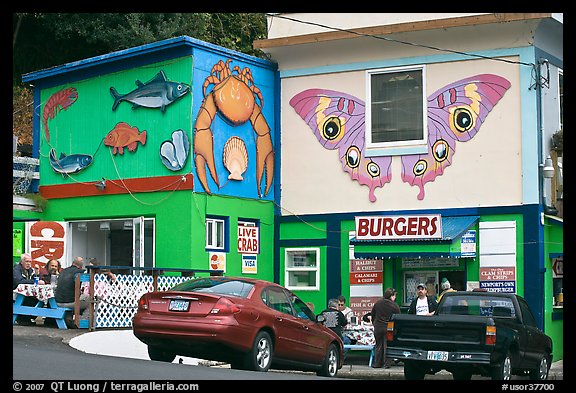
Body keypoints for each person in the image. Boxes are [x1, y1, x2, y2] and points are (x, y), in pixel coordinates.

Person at [55, 256, 89, 328]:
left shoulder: (63, 271)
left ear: (73, 263)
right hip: (69, 303)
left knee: (72, 295)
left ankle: (69, 318)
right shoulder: (80, 272)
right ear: (81, 266)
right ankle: (83, 321)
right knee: (90, 300)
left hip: (57, 302)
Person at [370, 287, 400, 368]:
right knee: (388, 345)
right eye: (395, 295)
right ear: (391, 296)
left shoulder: (378, 303)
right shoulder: (394, 305)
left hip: (378, 326)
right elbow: (398, 318)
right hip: (389, 326)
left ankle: (377, 363)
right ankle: (386, 364)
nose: (395, 297)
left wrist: (374, 323)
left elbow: (373, 314)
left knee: (378, 345)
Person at [12, 253, 44, 326]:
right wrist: (35, 282)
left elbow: (34, 281)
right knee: (30, 300)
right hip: (16, 293)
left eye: (30, 262)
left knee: (40, 299)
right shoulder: (16, 269)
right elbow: (19, 282)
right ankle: (22, 318)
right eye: (27, 261)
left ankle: (26, 318)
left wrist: (37, 274)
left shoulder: (30, 270)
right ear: (21, 262)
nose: (29, 264)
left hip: (26, 293)